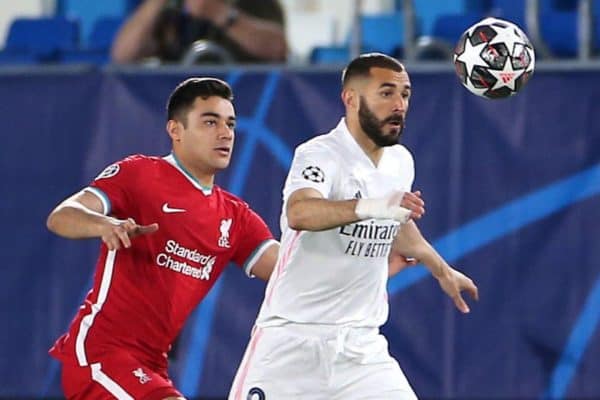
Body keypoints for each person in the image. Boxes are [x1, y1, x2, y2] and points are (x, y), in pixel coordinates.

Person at [228, 53, 480, 400]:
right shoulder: (319, 155)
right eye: (386, 93)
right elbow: (300, 212)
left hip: (361, 351)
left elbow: (396, 222)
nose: (399, 104)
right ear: (350, 98)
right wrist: (373, 206)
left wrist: (440, 267)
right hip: (292, 345)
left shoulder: (400, 162)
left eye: (405, 94)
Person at [47, 77, 281, 399]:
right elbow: (62, 216)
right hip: (101, 353)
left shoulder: (235, 217)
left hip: (152, 365)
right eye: (210, 122)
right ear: (175, 130)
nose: (225, 133)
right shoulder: (140, 174)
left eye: (230, 124)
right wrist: (104, 224)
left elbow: (288, 271)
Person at [111, 0, 287, 64]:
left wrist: (220, 13)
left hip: (241, 98)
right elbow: (123, 54)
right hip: (179, 104)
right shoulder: (170, 9)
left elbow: (277, 48)